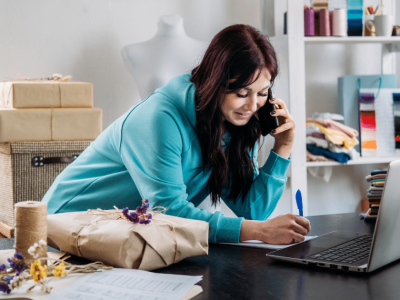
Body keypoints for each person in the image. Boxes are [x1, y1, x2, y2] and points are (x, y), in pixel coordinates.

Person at [42, 24, 311, 245]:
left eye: (262, 93)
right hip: (64, 228)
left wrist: (283, 148)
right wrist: (258, 232)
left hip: (122, 236)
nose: (253, 106)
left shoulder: (231, 123)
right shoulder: (158, 119)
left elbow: (253, 210)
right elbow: (169, 212)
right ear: (216, 82)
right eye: (241, 93)